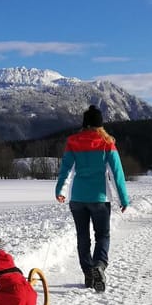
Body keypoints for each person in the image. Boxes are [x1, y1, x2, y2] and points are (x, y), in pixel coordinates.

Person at [54, 105, 130, 292]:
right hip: (99, 198)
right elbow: (116, 174)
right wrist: (123, 199)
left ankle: (88, 273)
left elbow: (66, 170)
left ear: (85, 124)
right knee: (102, 235)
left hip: (78, 198)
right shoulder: (106, 142)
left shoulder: (73, 142)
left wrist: (60, 190)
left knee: (83, 237)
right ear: (100, 124)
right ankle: (99, 265)